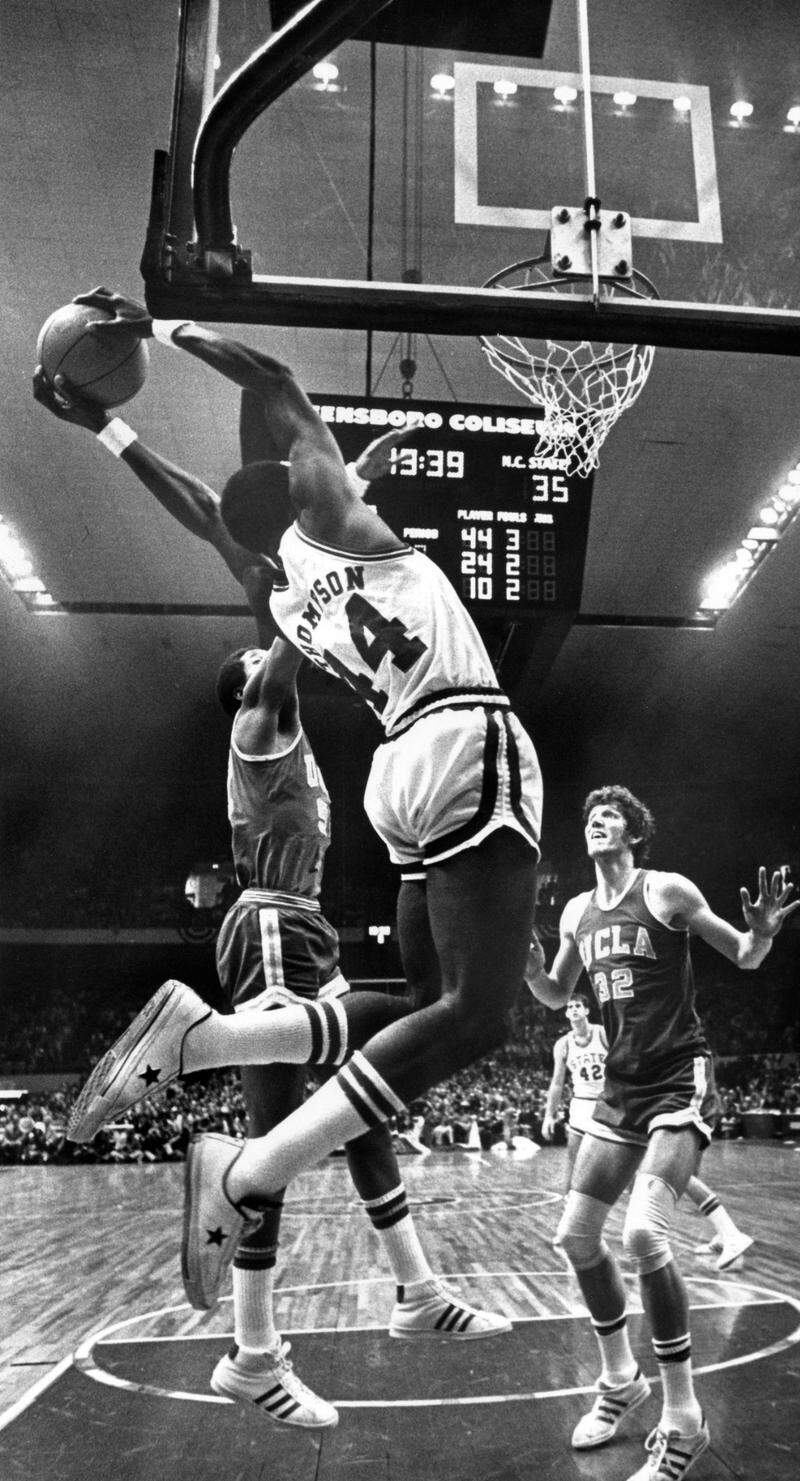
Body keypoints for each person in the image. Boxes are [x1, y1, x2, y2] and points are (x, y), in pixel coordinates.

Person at [37, 369, 511, 1430]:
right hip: (270, 923)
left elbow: (255, 544)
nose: (267, 649)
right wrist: (327, 503)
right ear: (243, 683)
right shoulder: (263, 710)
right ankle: (252, 1350)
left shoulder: (280, 707)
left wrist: (343, 491)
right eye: (256, 655)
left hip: (301, 926)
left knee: (362, 1102)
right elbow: (247, 550)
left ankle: (416, 1289)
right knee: (275, 1135)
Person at [525, 785, 798, 1481]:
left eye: (609, 816)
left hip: (677, 1080)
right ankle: (621, 1380)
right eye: (590, 816)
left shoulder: (666, 890)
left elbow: (745, 955)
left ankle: (684, 1418)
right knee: (575, 1238)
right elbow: (556, 993)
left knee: (644, 1235)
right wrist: (526, 963)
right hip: (619, 1087)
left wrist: (763, 930)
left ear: (634, 833)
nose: (595, 822)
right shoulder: (576, 911)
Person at [543, 992, 754, 1268]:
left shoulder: (605, 1033)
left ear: (587, 1010)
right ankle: (573, 1230)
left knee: (665, 1174)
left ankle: (729, 1233)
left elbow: (627, 1060)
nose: (572, 1010)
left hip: (614, 1104)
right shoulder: (563, 1045)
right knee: (577, 1172)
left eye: (577, 1006)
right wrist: (549, 1114)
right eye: (569, 1006)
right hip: (583, 1107)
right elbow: (557, 1082)